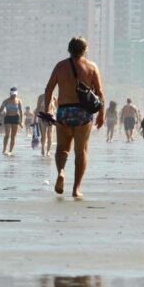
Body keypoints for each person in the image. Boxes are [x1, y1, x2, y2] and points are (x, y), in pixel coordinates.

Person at [43, 36, 104, 198]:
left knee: (62, 148)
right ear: (85, 50)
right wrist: (102, 114)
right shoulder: (91, 67)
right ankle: (76, 188)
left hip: (64, 111)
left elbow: (48, 89)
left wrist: (47, 110)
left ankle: (61, 172)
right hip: (83, 113)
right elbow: (99, 92)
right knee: (81, 150)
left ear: (69, 49)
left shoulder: (60, 66)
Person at [0, 88, 24, 156]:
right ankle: (4, 149)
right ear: (10, 93)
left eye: (15, 94)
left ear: (16, 94)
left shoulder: (18, 101)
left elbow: (21, 112)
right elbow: (0, 110)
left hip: (15, 118)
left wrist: (21, 121)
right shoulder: (5, 101)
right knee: (7, 135)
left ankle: (10, 151)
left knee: (13, 136)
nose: (13, 96)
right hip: (8, 118)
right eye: (12, 94)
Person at [34, 93, 56, 158]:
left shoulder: (54, 98)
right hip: (42, 117)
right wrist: (34, 119)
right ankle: (43, 148)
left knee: (50, 134)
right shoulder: (41, 97)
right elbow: (37, 108)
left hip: (51, 117)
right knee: (43, 135)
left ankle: (48, 151)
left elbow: (57, 108)